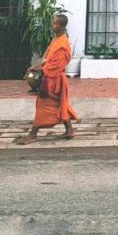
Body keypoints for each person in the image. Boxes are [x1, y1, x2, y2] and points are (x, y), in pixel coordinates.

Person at [17, 14, 79, 144]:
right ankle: (69, 130)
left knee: (43, 106)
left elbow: (56, 66)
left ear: (62, 26)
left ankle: (33, 134)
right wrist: (37, 66)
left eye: (55, 24)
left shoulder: (63, 44)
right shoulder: (57, 39)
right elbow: (48, 59)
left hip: (53, 80)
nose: (53, 25)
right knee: (60, 104)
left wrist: (40, 69)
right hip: (52, 78)